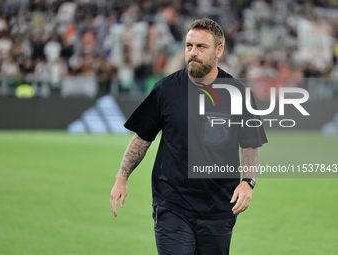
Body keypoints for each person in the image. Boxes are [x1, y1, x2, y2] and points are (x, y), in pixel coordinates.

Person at [110, 18, 267, 255]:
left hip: (219, 207)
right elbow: (142, 138)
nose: (192, 52)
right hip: (172, 204)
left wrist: (248, 182)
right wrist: (121, 177)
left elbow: (250, 145)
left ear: (219, 51)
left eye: (201, 47)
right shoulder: (165, 90)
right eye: (188, 46)